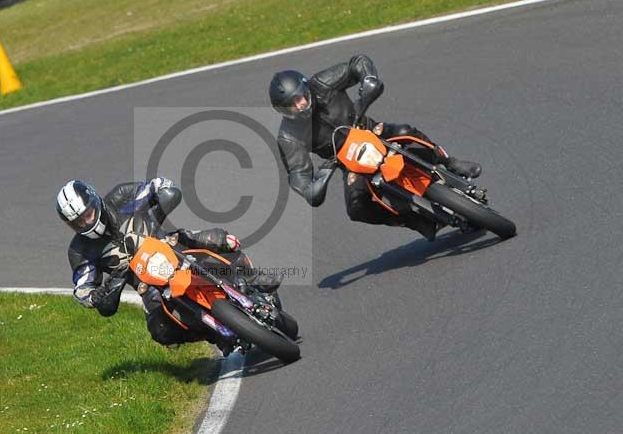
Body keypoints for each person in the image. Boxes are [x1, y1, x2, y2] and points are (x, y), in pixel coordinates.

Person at [269, 55, 482, 241]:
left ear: (305, 89)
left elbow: (356, 63)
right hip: (348, 162)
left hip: (370, 130)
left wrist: (368, 79)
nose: (298, 106)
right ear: (282, 110)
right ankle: (413, 221)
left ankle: (449, 162)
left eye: (299, 98)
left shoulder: (322, 83)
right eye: (290, 105)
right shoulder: (289, 136)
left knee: (404, 131)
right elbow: (297, 173)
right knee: (356, 207)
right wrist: (308, 189)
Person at [56, 177, 278, 349]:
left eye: (88, 214)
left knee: (221, 240)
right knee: (161, 331)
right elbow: (82, 289)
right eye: (78, 222)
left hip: (170, 246)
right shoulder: (80, 250)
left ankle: (253, 278)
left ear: (95, 201)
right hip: (147, 284)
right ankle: (215, 334)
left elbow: (157, 185)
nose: (86, 222)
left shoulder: (121, 197)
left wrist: (163, 195)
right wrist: (97, 295)